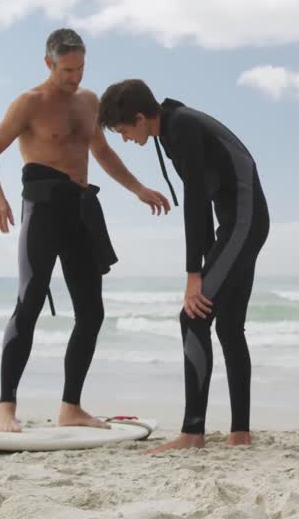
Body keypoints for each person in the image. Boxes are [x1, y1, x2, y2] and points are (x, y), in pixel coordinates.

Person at [0, 29, 171, 433]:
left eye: (81, 67)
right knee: (28, 304)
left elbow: (101, 151)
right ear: (49, 64)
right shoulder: (29, 104)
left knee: (92, 312)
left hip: (80, 211)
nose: (76, 77)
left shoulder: (88, 102)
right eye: (67, 69)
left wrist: (138, 189)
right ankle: (6, 408)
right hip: (43, 210)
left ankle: (71, 407)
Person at [97, 79, 270, 452]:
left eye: (124, 131)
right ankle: (240, 434)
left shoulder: (181, 127)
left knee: (193, 316)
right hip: (241, 223)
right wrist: (206, 260)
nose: (126, 139)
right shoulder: (174, 127)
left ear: (140, 118)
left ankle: (193, 433)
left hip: (242, 222)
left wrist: (195, 274)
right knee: (228, 325)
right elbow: (204, 199)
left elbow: (194, 200)